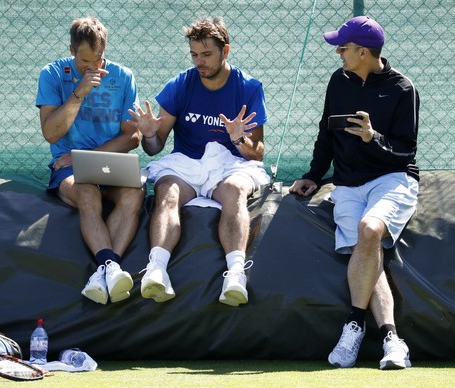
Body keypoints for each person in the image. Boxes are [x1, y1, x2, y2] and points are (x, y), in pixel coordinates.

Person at [290, 16, 420, 370]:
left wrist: (371, 138)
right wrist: (313, 176)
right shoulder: (338, 80)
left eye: (343, 47)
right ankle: (393, 340)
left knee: (369, 230)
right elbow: (325, 133)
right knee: (367, 252)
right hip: (347, 185)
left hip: (392, 179)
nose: (338, 52)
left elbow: (406, 151)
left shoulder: (403, 89)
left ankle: (354, 323)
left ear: (363, 51)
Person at [128, 17, 269, 306]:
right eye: (194, 55)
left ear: (225, 51)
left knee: (235, 191)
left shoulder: (249, 88)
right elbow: (154, 148)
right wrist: (151, 134)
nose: (199, 62)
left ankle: (235, 274)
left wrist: (238, 139)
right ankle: (157, 269)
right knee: (166, 190)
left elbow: (258, 153)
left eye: (206, 55)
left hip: (231, 164)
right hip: (187, 164)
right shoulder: (180, 84)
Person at [36, 17, 144, 305]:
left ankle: (107, 269)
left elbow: (132, 138)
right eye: (85, 61)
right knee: (86, 190)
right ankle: (111, 267)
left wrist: (87, 157)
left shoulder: (123, 76)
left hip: (107, 163)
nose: (92, 68)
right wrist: (79, 92)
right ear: (71, 50)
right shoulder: (53, 74)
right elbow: (50, 132)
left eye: (98, 60)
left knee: (135, 193)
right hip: (68, 167)